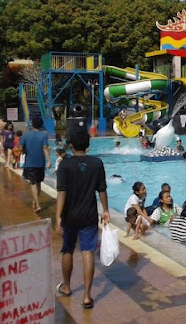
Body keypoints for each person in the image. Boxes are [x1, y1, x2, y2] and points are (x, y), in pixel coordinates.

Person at [55, 129, 109, 309]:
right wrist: (106, 210)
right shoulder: (97, 163)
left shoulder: (65, 165)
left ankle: (67, 286)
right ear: (88, 145)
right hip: (88, 215)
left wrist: (57, 216)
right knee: (87, 252)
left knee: (67, 250)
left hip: (69, 215)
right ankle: (87, 296)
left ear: (70, 145)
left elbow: (61, 191)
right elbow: (102, 189)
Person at [19, 117, 51, 212]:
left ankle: (37, 205)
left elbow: (20, 148)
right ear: (41, 125)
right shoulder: (43, 135)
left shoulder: (26, 135)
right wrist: (49, 160)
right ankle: (35, 201)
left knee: (33, 183)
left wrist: (24, 150)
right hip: (40, 163)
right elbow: (45, 148)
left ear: (32, 124)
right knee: (38, 182)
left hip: (30, 163)